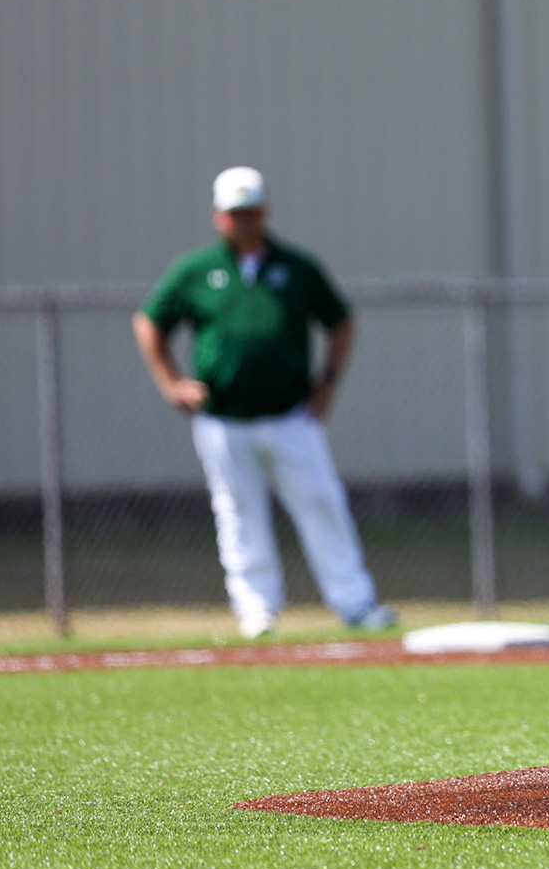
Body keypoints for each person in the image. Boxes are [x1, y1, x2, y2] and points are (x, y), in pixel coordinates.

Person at [133, 167, 395, 638]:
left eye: (251, 211)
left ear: (265, 212)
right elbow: (150, 321)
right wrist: (172, 382)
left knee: (320, 503)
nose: (244, 221)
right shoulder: (197, 271)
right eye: (234, 214)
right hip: (223, 419)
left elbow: (340, 320)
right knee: (238, 511)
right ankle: (256, 609)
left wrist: (328, 382)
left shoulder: (296, 268)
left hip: (291, 415)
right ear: (218, 217)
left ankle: (356, 604)